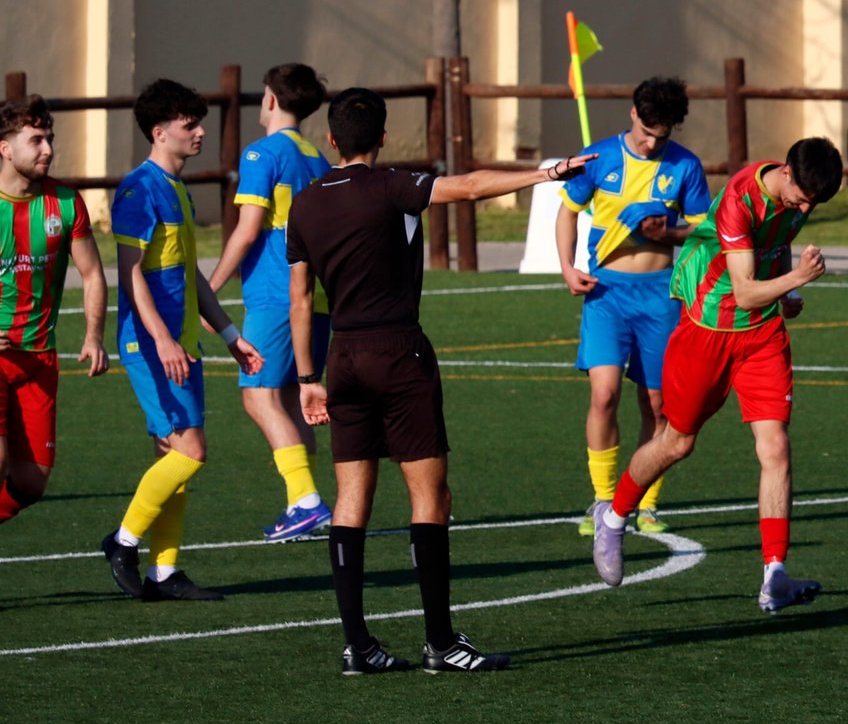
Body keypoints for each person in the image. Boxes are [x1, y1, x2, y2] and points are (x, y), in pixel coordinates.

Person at [286, 87, 593, 674]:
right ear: (383, 137)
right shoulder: (393, 185)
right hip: (399, 351)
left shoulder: (304, 204)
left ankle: (358, 646)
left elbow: (300, 300)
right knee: (430, 495)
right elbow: (471, 187)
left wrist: (306, 377)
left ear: (330, 139)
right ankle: (440, 642)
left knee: (351, 499)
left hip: (341, 356)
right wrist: (548, 173)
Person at [591, 137, 842, 615]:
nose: (806, 208)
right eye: (803, 198)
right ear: (786, 173)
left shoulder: (799, 194)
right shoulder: (741, 199)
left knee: (776, 447)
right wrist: (796, 280)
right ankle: (615, 516)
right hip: (708, 329)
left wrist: (784, 292)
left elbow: (778, 244)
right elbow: (744, 292)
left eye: (815, 203)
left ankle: (774, 575)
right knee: (677, 442)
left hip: (761, 335)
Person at [101, 79, 264, 601]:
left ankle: (164, 571)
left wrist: (230, 335)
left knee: (172, 459)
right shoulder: (139, 189)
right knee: (191, 452)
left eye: (199, 123)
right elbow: (130, 274)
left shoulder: (177, 190)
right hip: (152, 345)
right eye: (189, 125)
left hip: (181, 343)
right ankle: (123, 542)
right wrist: (162, 341)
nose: (199, 133)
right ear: (158, 132)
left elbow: (189, 274)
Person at [557, 77, 709, 537]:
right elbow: (568, 211)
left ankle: (644, 501)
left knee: (658, 406)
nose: (651, 143)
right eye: (645, 132)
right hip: (606, 293)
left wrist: (669, 234)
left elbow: (705, 231)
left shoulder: (685, 165)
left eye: (661, 136)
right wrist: (567, 268)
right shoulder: (599, 157)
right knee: (604, 395)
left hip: (660, 295)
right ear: (632, 114)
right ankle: (603, 498)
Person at [208, 63, 335, 542]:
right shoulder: (318, 159)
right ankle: (303, 504)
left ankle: (306, 500)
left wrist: (209, 290)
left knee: (259, 395)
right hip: (314, 298)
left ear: (270, 100)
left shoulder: (261, 154)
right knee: (293, 398)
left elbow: (247, 230)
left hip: (275, 295)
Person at [0, 96, 110, 524]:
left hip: (39, 358)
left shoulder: (65, 202)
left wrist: (93, 336)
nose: (48, 149)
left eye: (49, 138)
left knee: (31, 482)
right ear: (5, 148)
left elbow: (93, 273)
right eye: (36, 140)